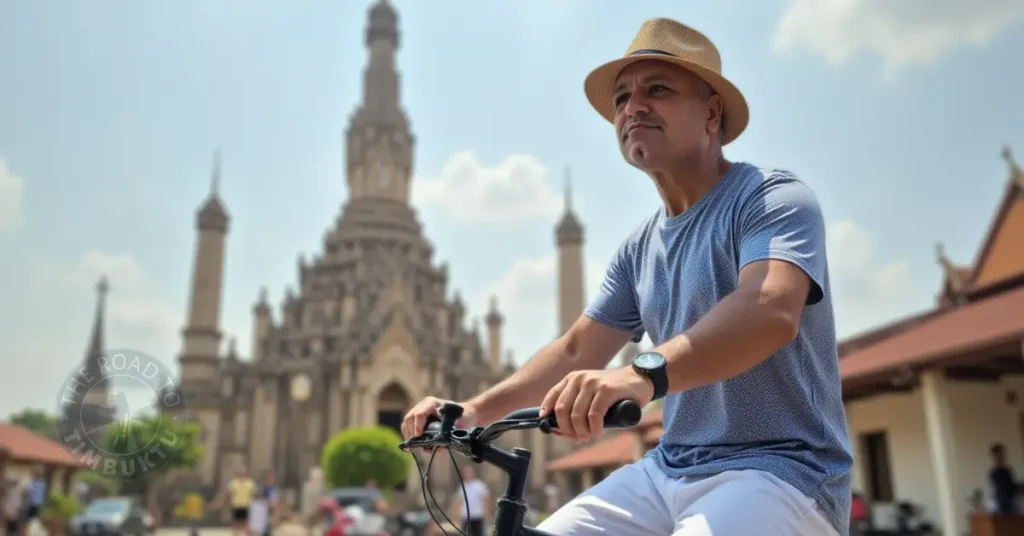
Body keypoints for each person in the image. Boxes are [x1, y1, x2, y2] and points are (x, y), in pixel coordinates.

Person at [401, 16, 852, 536]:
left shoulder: (770, 199)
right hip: (668, 469)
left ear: (711, 113)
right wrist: (472, 410)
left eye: (657, 89)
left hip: (780, 470)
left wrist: (640, 374)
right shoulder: (640, 247)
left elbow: (769, 309)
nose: (633, 106)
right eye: (621, 98)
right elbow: (577, 350)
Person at [448, 466, 490, 536]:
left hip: (477, 516)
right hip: (466, 516)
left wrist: (487, 512)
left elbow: (485, 499)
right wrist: (454, 514)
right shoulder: (462, 486)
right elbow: (458, 501)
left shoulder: (479, 485)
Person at [218, 467, 256, 536]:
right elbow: (229, 494)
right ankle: (235, 534)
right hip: (236, 505)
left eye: (243, 473)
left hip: (246, 505)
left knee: (246, 522)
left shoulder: (250, 483)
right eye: (240, 473)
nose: (242, 475)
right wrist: (226, 504)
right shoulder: (233, 483)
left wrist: (253, 504)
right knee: (235, 522)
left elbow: (253, 495)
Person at [989, 443, 1018, 514]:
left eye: (1001, 455)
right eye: (997, 455)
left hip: (1010, 504)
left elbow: (1012, 488)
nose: (1000, 457)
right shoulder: (994, 473)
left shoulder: (1007, 471)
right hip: (999, 505)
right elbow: (997, 489)